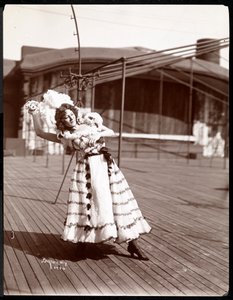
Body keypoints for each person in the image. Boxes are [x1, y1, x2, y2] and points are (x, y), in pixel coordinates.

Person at [26, 101, 151, 260]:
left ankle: (132, 242)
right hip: (88, 169)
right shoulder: (65, 136)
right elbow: (40, 133)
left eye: (71, 115)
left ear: (75, 115)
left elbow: (110, 132)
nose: (70, 118)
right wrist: (35, 113)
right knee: (88, 204)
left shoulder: (90, 123)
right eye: (66, 117)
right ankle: (82, 243)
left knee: (117, 201)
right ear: (62, 121)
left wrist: (99, 132)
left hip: (106, 166)